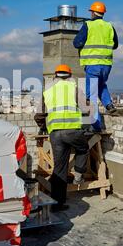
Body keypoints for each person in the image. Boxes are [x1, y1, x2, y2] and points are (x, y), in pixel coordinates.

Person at [34, 64, 89, 212]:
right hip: (72, 131)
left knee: (59, 169)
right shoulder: (75, 89)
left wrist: (43, 126)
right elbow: (86, 110)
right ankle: (78, 175)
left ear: (55, 76)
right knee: (83, 148)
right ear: (70, 76)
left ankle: (57, 204)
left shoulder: (48, 91)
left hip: (55, 134)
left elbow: (39, 115)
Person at [73, 1, 120, 132]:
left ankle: (96, 125)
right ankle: (109, 105)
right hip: (106, 65)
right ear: (103, 13)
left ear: (93, 13)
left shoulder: (88, 25)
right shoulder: (109, 26)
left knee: (91, 95)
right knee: (101, 85)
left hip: (92, 64)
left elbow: (77, 43)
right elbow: (115, 45)